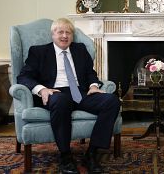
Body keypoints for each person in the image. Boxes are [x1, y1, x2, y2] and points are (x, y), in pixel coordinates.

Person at [17, 18, 120, 174]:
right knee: (61, 101)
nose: (64, 36)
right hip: (55, 92)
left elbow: (90, 73)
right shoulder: (38, 52)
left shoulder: (80, 49)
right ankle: (65, 156)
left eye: (68, 32)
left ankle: (92, 153)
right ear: (53, 35)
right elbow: (24, 77)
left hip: (79, 92)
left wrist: (93, 86)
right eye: (60, 32)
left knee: (112, 100)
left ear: (72, 35)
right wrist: (42, 90)